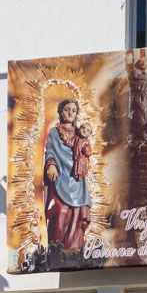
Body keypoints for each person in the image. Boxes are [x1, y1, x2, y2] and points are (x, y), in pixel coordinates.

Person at [43, 97, 93, 255]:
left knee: (77, 215)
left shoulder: (80, 133)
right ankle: (57, 247)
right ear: (60, 112)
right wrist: (51, 164)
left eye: (73, 110)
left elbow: (87, 151)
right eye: (67, 109)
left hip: (77, 179)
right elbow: (50, 149)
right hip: (61, 177)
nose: (70, 112)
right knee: (61, 213)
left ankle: (74, 248)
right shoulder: (54, 132)